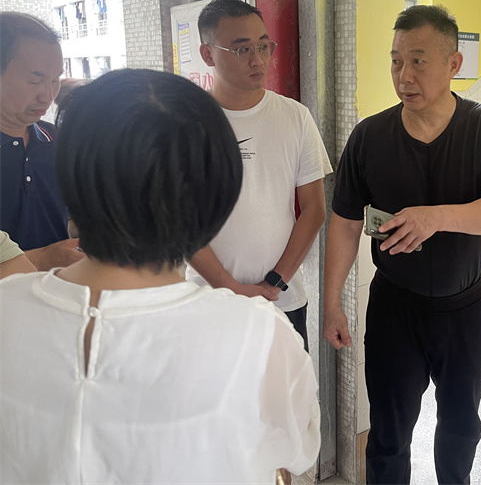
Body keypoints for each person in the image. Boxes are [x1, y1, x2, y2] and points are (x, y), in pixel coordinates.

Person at [0, 69, 320, 483]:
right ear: (216, 198)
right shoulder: (255, 334)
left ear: (70, 180)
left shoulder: (8, 305)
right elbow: (296, 451)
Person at [323, 4, 481, 484]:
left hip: (465, 311)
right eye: (396, 61)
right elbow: (345, 222)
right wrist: (331, 303)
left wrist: (436, 217)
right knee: (388, 433)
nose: (403, 75)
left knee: (460, 428)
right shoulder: (370, 137)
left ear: (453, 64)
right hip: (395, 310)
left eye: (418, 61)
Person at [186, 0, 332, 350]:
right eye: (242, 49)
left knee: (287, 387)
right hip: (208, 301)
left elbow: (314, 210)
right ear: (207, 54)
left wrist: (275, 282)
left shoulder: (295, 117)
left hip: (282, 300)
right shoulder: (185, 124)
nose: (258, 59)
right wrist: (231, 288)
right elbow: (179, 223)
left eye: (264, 46)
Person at [0, 12, 82, 270]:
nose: (48, 95)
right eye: (34, 80)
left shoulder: (60, 141)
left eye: (55, 79)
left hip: (61, 290)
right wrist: (41, 258)